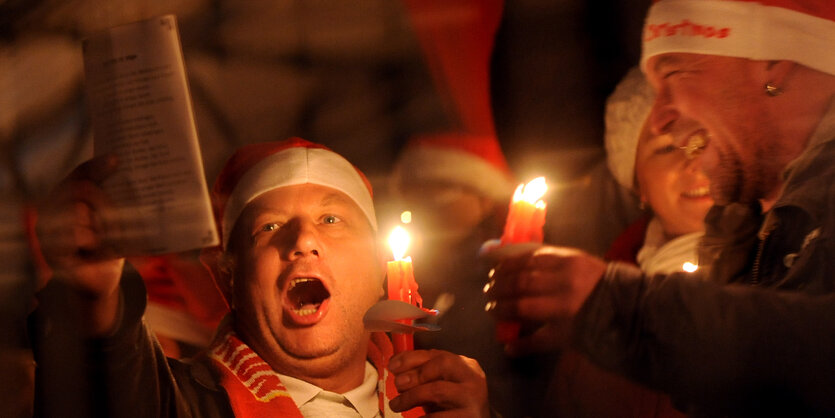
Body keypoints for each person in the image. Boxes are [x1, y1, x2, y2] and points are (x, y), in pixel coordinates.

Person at [484, 0, 835, 416]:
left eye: (674, 72)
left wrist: (620, 312)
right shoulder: (746, 239)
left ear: (773, 61)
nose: (659, 119)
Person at [33, 138, 489, 417]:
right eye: (269, 227)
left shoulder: (439, 401)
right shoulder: (177, 403)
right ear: (229, 280)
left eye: (332, 220)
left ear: (379, 272)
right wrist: (92, 296)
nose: (303, 240)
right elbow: (107, 383)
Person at [553, 67, 713, 418]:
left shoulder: (786, 276)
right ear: (636, 181)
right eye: (667, 147)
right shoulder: (598, 302)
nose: (695, 162)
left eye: (707, 139)